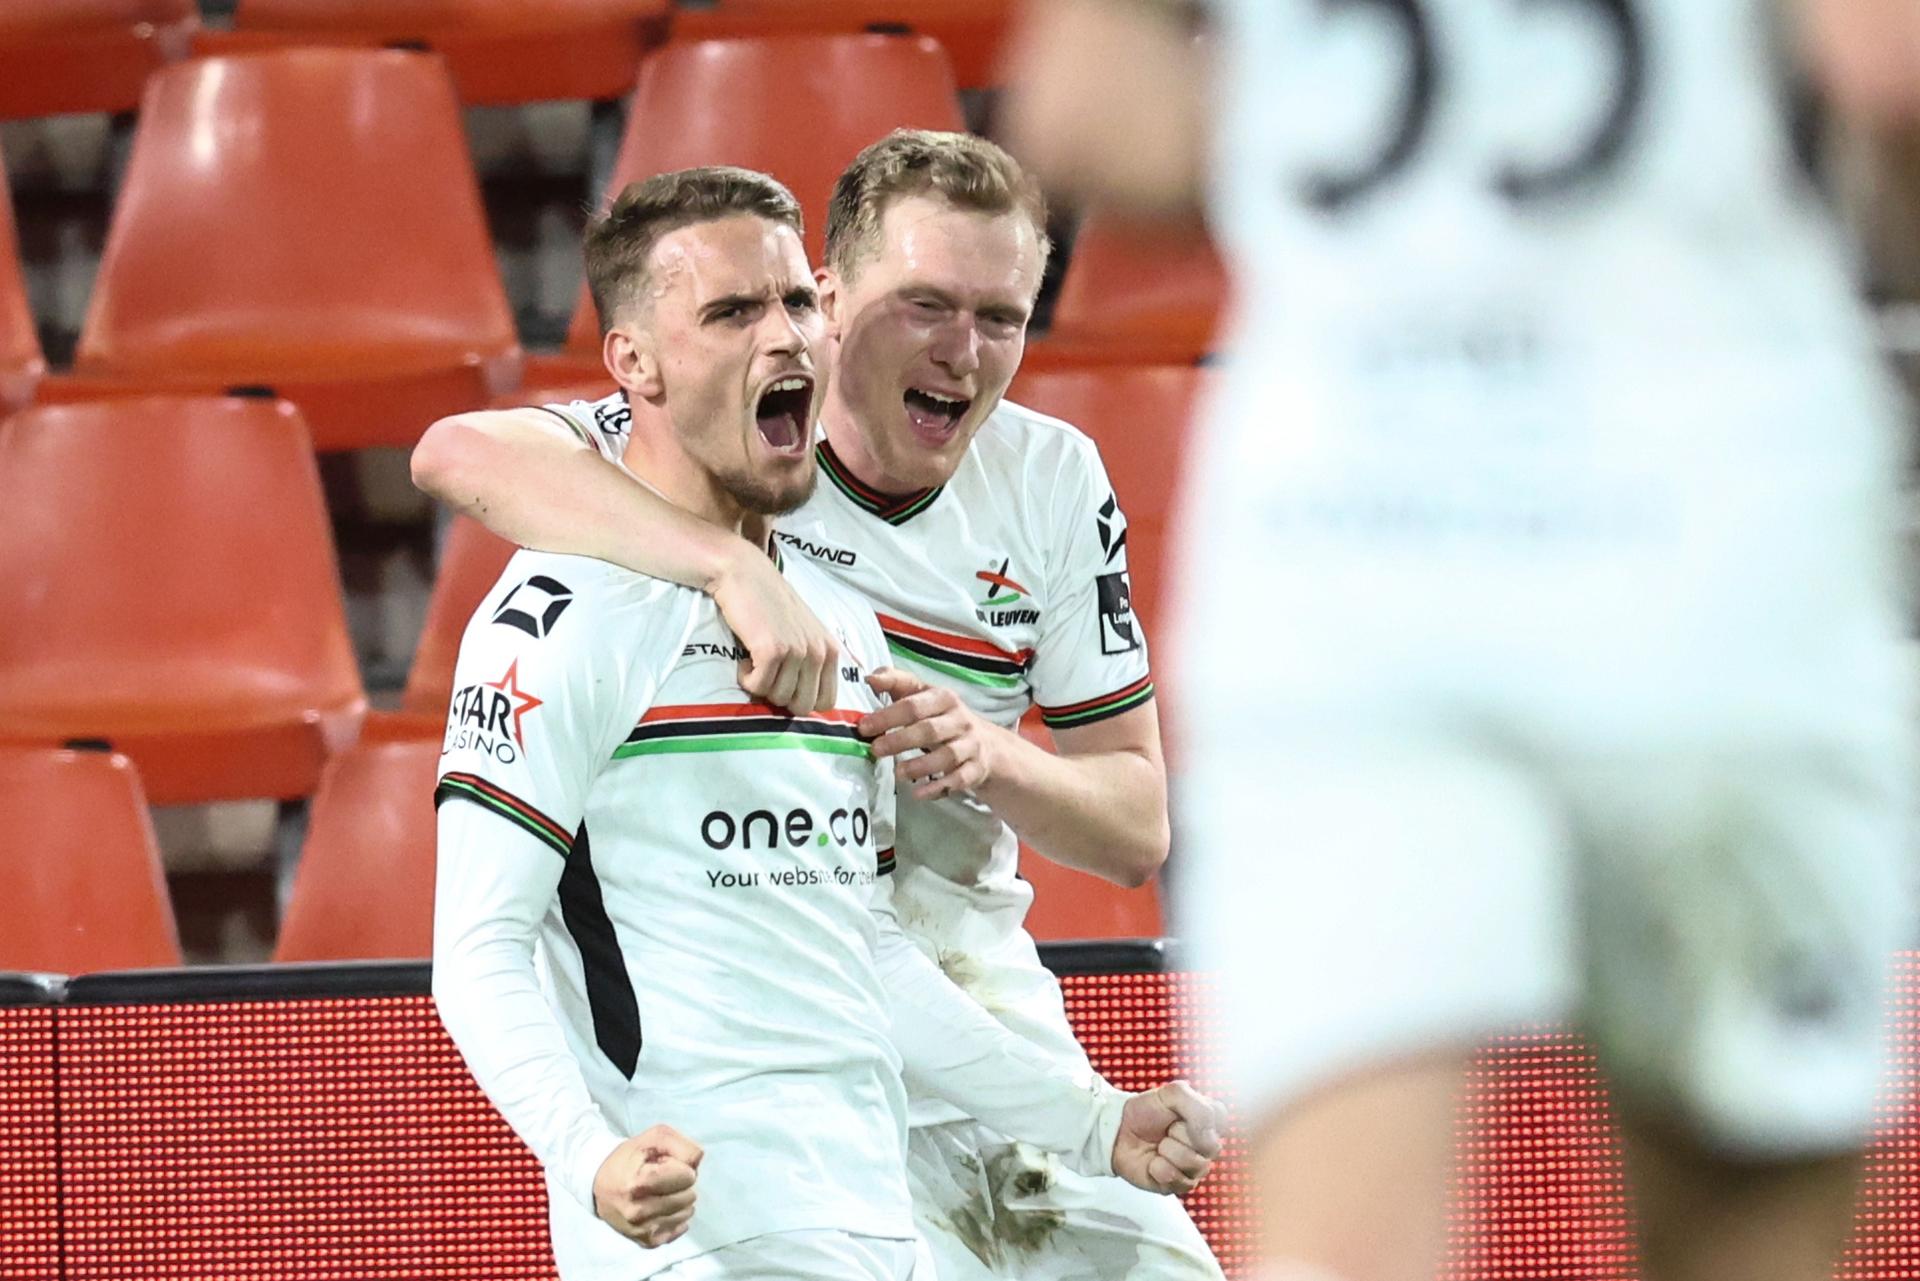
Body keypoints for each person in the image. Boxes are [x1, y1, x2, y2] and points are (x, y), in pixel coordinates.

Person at [1000, 3, 1920, 1281]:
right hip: (1704, 528)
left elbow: (1096, 116)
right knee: (1744, 1229)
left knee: (1341, 1254)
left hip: (1355, 547)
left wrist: (1372, 184)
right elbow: (1890, 74)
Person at [413, 132, 1227, 1281]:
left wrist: (1092, 1119)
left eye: (1003, 318)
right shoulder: (580, 572)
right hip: (702, 1196)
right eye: (926, 304)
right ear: (635, 366)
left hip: (937, 1044)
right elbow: (453, 452)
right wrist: (729, 568)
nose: (963, 349)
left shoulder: (954, 545)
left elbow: (887, 942)